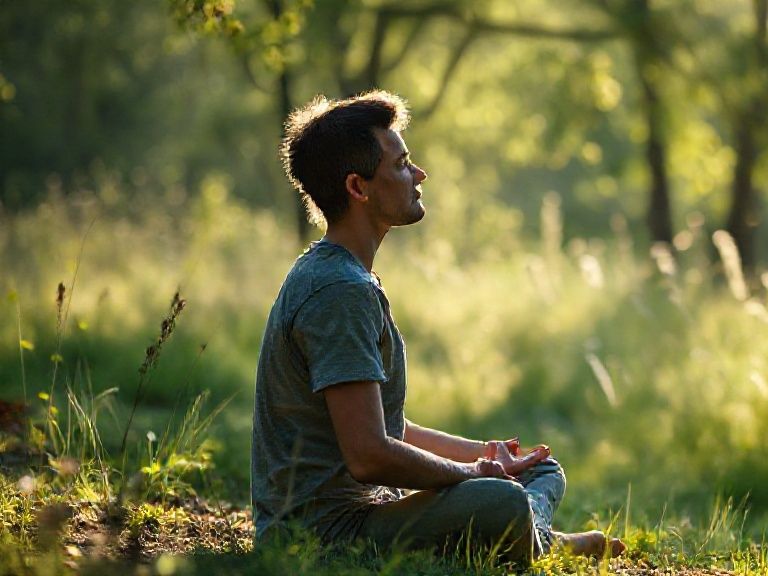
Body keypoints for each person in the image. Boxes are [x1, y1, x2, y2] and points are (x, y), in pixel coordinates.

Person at [251, 90, 625, 565]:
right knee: (502, 500)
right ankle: (548, 542)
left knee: (540, 471)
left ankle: (526, 534)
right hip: (326, 539)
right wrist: (474, 474)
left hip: (371, 515)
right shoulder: (338, 292)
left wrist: (487, 455)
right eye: (402, 164)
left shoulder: (344, 276)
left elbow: (392, 428)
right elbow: (369, 455)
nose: (419, 174)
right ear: (358, 187)